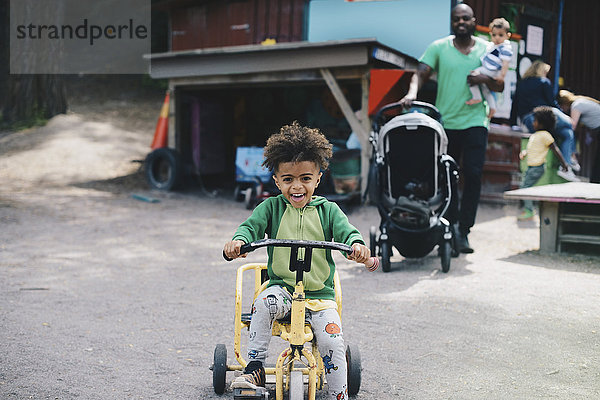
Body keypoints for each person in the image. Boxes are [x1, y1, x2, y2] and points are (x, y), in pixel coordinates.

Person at [222, 121, 373, 400]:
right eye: (288, 179)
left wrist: (357, 246)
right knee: (262, 303)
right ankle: (254, 367)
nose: (297, 186)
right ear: (277, 180)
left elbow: (348, 234)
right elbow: (250, 228)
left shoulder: (329, 211)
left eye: (305, 178)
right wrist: (239, 242)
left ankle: (339, 393)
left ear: (318, 178)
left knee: (332, 341)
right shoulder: (271, 207)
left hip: (319, 297)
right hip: (282, 291)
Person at [399, 3, 504, 253]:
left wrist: (485, 79)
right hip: (446, 123)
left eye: (465, 18)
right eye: (456, 19)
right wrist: (412, 93)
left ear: (473, 21)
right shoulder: (439, 47)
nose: (461, 22)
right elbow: (420, 73)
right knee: (447, 177)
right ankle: (452, 225)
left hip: (476, 121)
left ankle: (464, 230)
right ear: (452, 22)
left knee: (474, 173)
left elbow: (499, 84)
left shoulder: (487, 48)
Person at [509, 60, 580, 175]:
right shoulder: (544, 82)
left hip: (529, 122)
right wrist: (564, 116)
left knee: (567, 133)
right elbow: (552, 103)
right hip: (544, 116)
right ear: (541, 71)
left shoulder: (521, 83)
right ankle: (570, 159)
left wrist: (512, 123)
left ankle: (567, 165)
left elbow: (515, 105)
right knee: (570, 126)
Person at [518, 106, 579, 220]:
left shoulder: (545, 135)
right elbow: (533, 148)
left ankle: (529, 211)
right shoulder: (536, 135)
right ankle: (529, 209)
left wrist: (564, 164)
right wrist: (525, 152)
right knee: (525, 186)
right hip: (531, 167)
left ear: (542, 124)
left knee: (525, 187)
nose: (533, 123)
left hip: (537, 167)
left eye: (535, 121)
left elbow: (555, 150)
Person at [466, 17, 513, 119]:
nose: (497, 38)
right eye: (494, 34)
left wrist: (502, 76)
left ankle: (476, 97)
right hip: (490, 70)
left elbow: (505, 64)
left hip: (492, 71)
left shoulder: (505, 48)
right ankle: (492, 107)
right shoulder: (494, 46)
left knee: (472, 76)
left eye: (501, 35)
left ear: (508, 36)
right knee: (485, 88)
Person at [558, 89, 600, 183]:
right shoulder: (581, 101)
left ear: (564, 103)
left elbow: (572, 125)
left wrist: (560, 117)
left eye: (561, 107)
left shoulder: (576, 105)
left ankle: (571, 160)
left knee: (569, 131)